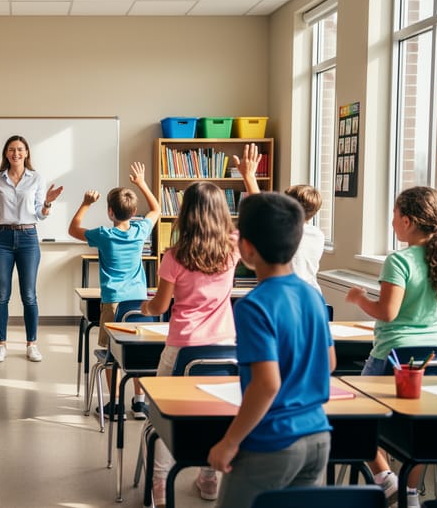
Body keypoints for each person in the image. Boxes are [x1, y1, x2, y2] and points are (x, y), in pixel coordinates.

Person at [206, 192, 335, 508]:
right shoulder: (313, 296)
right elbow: (329, 362)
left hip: (273, 440)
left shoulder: (254, 305)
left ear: (246, 248)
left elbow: (266, 384)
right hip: (318, 436)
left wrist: (229, 441)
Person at [345, 186, 437, 508]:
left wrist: (360, 299)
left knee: (354, 415)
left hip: (395, 356)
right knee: (423, 424)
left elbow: (388, 312)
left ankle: (386, 479)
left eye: (395, 215)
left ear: (409, 221)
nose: (392, 222)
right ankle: (410, 492)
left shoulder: (399, 260)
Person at [138, 177, 243, 505]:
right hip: (227, 349)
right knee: (218, 413)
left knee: (161, 416)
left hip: (183, 347)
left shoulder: (174, 255)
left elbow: (160, 307)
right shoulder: (234, 248)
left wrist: (146, 306)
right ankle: (209, 477)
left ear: (186, 213)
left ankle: (160, 483)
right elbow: (259, 214)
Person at [68, 162, 161, 420]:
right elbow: (156, 208)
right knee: (139, 352)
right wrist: (141, 182)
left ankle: (116, 405)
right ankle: (140, 403)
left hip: (113, 304)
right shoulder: (142, 229)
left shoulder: (104, 234)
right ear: (133, 212)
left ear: (110, 212)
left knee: (112, 355)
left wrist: (86, 203)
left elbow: (73, 229)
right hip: (139, 303)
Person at [0, 135, 63, 363]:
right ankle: (1, 345)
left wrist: (47, 202)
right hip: (2, 238)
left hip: (29, 237)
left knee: (29, 295)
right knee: (2, 295)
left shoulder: (36, 178)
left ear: (26, 153)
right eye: (11, 149)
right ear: (6, 153)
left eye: (20, 149)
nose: (15, 153)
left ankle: (32, 344)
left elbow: (40, 214)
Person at [240, 144, 324, 292]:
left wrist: (249, 176)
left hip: (285, 294)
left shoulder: (284, 232)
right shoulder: (318, 235)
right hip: (313, 294)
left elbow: (262, 210)